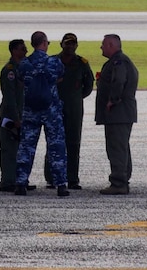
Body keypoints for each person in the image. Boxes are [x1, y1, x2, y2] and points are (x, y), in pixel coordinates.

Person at [14, 31, 70, 197]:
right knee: (56, 147)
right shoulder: (54, 62)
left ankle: (21, 183)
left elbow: (21, 79)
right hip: (51, 110)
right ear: (44, 43)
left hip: (31, 111)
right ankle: (60, 184)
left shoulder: (25, 63)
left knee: (26, 147)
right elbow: (60, 77)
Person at [44, 32, 95, 190]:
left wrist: (76, 98)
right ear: (61, 44)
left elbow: (88, 84)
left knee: (73, 143)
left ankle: (72, 178)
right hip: (54, 108)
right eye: (67, 43)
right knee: (53, 143)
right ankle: (52, 178)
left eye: (73, 44)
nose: (70, 46)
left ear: (76, 45)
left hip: (74, 109)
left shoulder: (82, 63)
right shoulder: (52, 61)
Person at [96, 33, 139, 195]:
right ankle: (122, 179)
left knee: (116, 147)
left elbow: (119, 81)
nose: (101, 47)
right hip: (122, 113)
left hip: (118, 113)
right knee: (121, 146)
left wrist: (112, 100)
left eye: (103, 44)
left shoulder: (118, 62)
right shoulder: (120, 61)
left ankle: (119, 182)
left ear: (111, 45)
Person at [0, 39, 32, 192]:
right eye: (21, 48)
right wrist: (16, 118)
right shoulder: (10, 71)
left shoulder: (24, 68)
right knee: (9, 149)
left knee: (21, 149)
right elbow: (10, 97)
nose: (25, 51)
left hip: (23, 113)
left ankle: (20, 179)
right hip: (11, 115)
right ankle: (8, 181)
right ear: (13, 51)